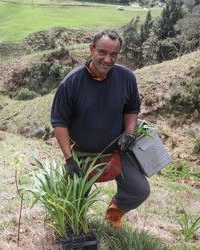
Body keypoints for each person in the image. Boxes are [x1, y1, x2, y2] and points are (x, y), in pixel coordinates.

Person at [50, 29, 150, 228]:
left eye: (114, 54)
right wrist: (69, 159)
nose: (108, 59)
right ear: (91, 49)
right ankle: (75, 225)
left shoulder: (126, 77)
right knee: (73, 204)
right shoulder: (71, 83)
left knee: (139, 190)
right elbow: (59, 122)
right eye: (102, 52)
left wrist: (129, 132)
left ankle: (114, 214)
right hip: (82, 155)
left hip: (117, 151)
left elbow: (132, 108)